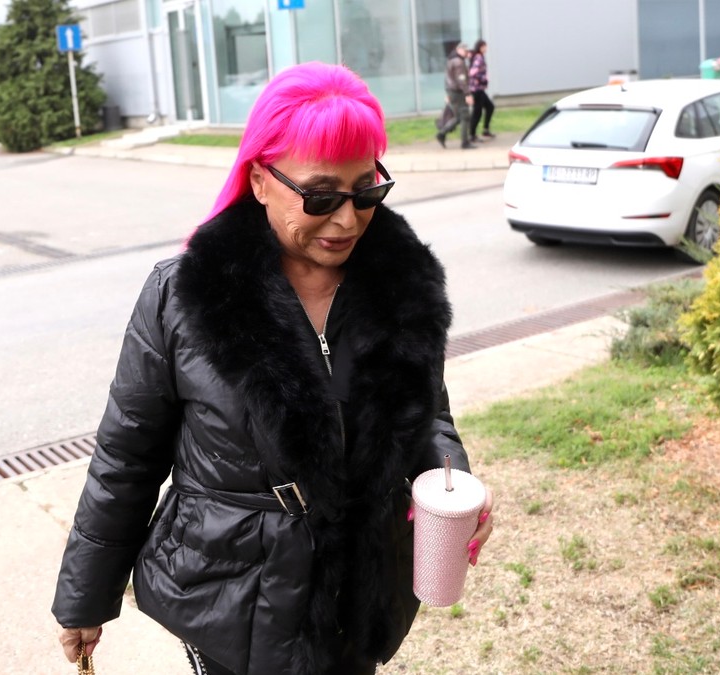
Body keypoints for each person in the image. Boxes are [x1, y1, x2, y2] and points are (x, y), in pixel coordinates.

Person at [52, 62, 494, 675]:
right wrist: (85, 596)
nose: (347, 220)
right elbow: (126, 455)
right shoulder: (183, 295)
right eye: (320, 196)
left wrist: (453, 479)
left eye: (366, 191)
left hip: (359, 590)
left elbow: (428, 415)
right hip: (227, 595)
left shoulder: (401, 287)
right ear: (260, 180)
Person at [436, 42, 475, 149]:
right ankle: (465, 143)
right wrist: (467, 94)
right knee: (465, 116)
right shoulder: (458, 62)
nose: (466, 53)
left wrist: (448, 92)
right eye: (465, 51)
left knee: (458, 117)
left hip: (452, 91)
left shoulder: (451, 60)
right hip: (458, 92)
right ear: (459, 50)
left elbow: (449, 78)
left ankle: (442, 134)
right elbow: (461, 80)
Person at [468, 39, 495, 140]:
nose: (486, 48)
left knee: (490, 107)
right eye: (485, 47)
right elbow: (472, 73)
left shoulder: (479, 56)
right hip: (476, 90)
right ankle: (472, 134)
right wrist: (484, 79)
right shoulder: (478, 58)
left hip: (479, 89)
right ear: (480, 47)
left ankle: (485, 130)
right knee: (477, 112)